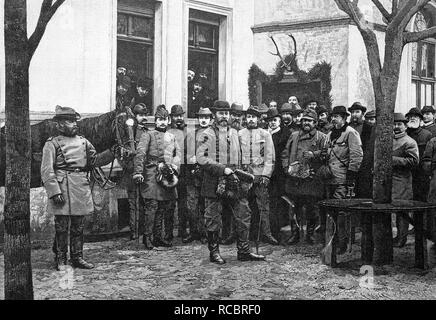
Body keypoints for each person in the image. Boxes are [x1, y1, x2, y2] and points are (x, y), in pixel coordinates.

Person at [41, 106, 117, 270]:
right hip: (62, 187)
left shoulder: (84, 141)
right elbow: (47, 170)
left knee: (78, 226)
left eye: (75, 120)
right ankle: (61, 259)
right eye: (69, 121)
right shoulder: (52, 144)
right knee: (61, 227)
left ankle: (77, 257)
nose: (74, 124)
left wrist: (112, 152)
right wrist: (54, 192)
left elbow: (94, 161)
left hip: (80, 186)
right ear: (59, 125)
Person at [196, 100, 265, 263]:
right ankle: (214, 253)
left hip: (235, 181)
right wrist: (221, 169)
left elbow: (240, 156)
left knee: (244, 214)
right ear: (214, 115)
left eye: (226, 113)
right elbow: (201, 158)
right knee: (213, 218)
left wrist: (244, 173)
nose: (224, 116)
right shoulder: (206, 134)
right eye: (221, 113)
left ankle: (244, 251)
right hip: (214, 182)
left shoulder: (235, 133)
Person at [133, 105, 181, 249]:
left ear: (168, 120)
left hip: (167, 173)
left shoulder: (172, 136)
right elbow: (140, 154)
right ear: (155, 120)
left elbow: (177, 154)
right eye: (160, 119)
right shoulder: (148, 135)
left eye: (165, 119)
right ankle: (147, 238)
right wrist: (138, 172)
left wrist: (174, 166)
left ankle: (159, 237)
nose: (162, 122)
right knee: (151, 207)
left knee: (164, 207)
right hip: (152, 174)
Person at [281, 109, 328, 245]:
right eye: (304, 120)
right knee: (293, 208)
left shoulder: (322, 137)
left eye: (310, 121)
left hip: (312, 180)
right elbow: (285, 153)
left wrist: (315, 155)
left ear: (315, 122)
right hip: (294, 179)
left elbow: (327, 155)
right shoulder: (294, 135)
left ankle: (310, 234)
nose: (306, 123)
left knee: (312, 208)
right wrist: (286, 168)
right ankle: (295, 234)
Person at [326, 106, 363, 254]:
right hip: (329, 179)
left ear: (344, 118)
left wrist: (351, 177)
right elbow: (326, 153)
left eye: (337, 116)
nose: (334, 118)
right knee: (331, 212)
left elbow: (357, 155)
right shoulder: (330, 134)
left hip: (343, 179)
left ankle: (342, 243)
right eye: (333, 116)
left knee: (341, 213)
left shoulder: (350, 133)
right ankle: (333, 241)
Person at [239, 105, 278, 245]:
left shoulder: (265, 134)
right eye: (249, 117)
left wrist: (266, 175)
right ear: (245, 119)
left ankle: (266, 234)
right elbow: (237, 155)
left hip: (260, 175)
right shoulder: (239, 134)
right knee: (244, 207)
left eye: (253, 117)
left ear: (258, 119)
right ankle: (245, 235)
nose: (251, 120)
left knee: (263, 206)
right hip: (244, 176)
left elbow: (270, 157)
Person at [112, 103, 149, 240]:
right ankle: (134, 231)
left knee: (145, 201)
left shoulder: (147, 131)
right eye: (140, 115)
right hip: (131, 171)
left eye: (145, 115)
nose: (143, 118)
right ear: (135, 116)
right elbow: (122, 151)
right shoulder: (129, 132)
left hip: (145, 172)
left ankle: (145, 230)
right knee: (133, 202)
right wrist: (129, 166)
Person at [185, 107, 214, 244]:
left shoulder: (214, 135)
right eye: (201, 118)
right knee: (192, 206)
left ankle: (205, 233)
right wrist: (190, 160)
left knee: (205, 205)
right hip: (193, 175)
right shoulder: (191, 134)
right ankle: (193, 232)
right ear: (198, 119)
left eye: (206, 118)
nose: (203, 120)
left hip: (207, 175)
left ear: (210, 119)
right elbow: (186, 152)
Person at [392, 113, 419, 247]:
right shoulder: (388, 140)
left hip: (402, 181)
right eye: (394, 124)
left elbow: (414, 161)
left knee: (401, 210)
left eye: (399, 124)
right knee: (389, 209)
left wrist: (394, 160)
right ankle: (395, 237)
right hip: (389, 181)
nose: (396, 127)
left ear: (405, 126)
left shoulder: (409, 142)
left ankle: (402, 238)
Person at [167, 104, 190, 242]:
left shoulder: (188, 132)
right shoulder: (167, 133)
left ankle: (183, 230)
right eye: (176, 116)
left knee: (184, 203)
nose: (179, 118)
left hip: (185, 172)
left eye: (181, 115)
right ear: (171, 117)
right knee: (169, 203)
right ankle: (168, 232)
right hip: (171, 171)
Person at [266, 107, 289, 241]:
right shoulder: (264, 133)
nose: (272, 123)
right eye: (270, 120)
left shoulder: (285, 135)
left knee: (277, 202)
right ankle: (267, 230)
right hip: (266, 173)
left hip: (278, 174)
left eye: (275, 120)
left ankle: (277, 231)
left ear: (279, 121)